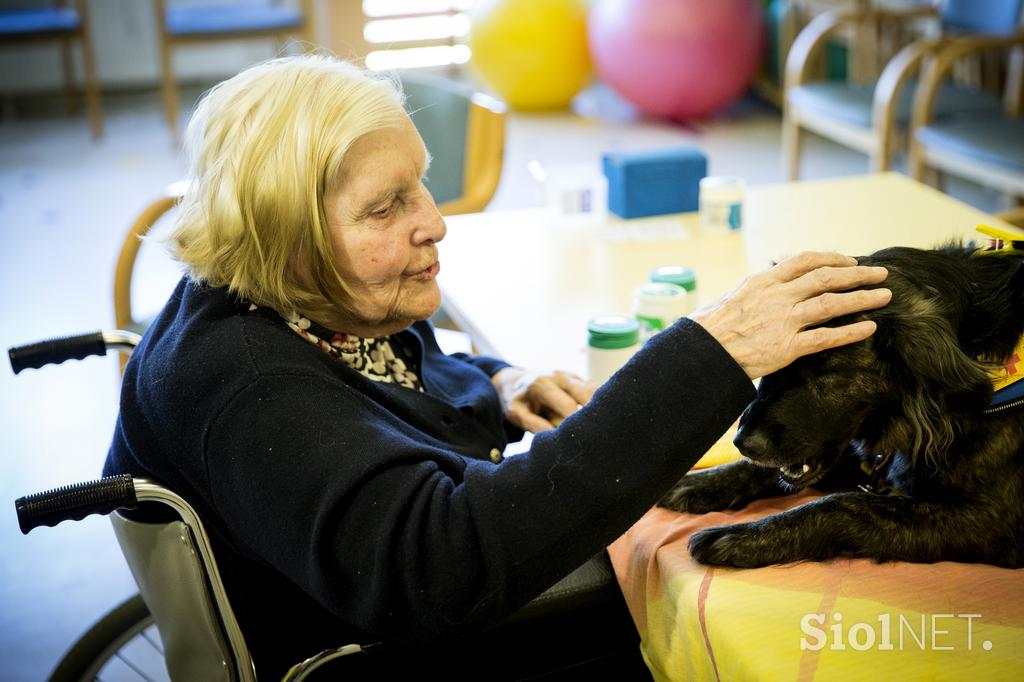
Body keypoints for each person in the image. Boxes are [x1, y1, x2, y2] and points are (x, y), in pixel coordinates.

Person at [105, 55, 891, 678]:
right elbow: (446, 566)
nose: (435, 221)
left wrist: (495, 381)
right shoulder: (247, 390)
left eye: (420, 184)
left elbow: (382, 378)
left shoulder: (284, 301)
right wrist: (712, 351)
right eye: (387, 207)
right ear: (287, 237)